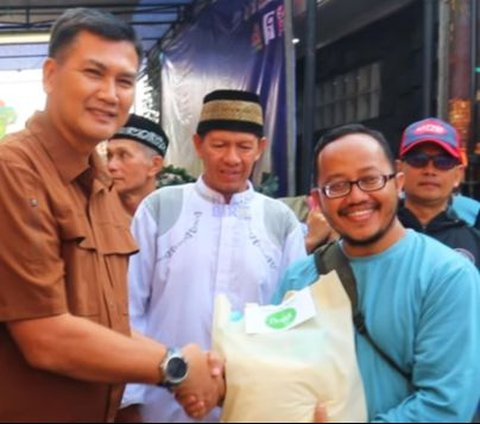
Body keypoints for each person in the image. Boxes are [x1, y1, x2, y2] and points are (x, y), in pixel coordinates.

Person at [0, 8, 222, 422]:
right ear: (50, 75)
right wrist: (174, 366)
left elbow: (108, 324)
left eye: (124, 81)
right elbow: (44, 335)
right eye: (93, 73)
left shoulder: (100, 184)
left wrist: (176, 369)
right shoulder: (14, 172)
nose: (110, 94)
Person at [272, 123, 480, 421]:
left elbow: (445, 404)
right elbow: (274, 369)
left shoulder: (448, 276)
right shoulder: (300, 278)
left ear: (397, 182)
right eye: (337, 186)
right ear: (318, 200)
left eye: (370, 179)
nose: (356, 197)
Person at [122, 88, 307, 422]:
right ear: (198, 145)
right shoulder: (161, 209)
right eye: (219, 145)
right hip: (163, 404)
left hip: (254, 405)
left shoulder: (280, 222)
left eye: (244, 146)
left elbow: (292, 320)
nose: (232, 158)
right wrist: (130, 400)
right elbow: (129, 307)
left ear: (260, 149)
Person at [397, 117, 480, 268]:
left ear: (458, 175)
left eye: (443, 162)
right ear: (399, 169)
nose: (430, 170)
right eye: (418, 159)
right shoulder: (375, 234)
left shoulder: (474, 242)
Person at [107, 113, 168, 215]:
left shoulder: (176, 220)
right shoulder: (91, 215)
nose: (111, 166)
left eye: (123, 155)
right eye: (109, 156)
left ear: (154, 165)